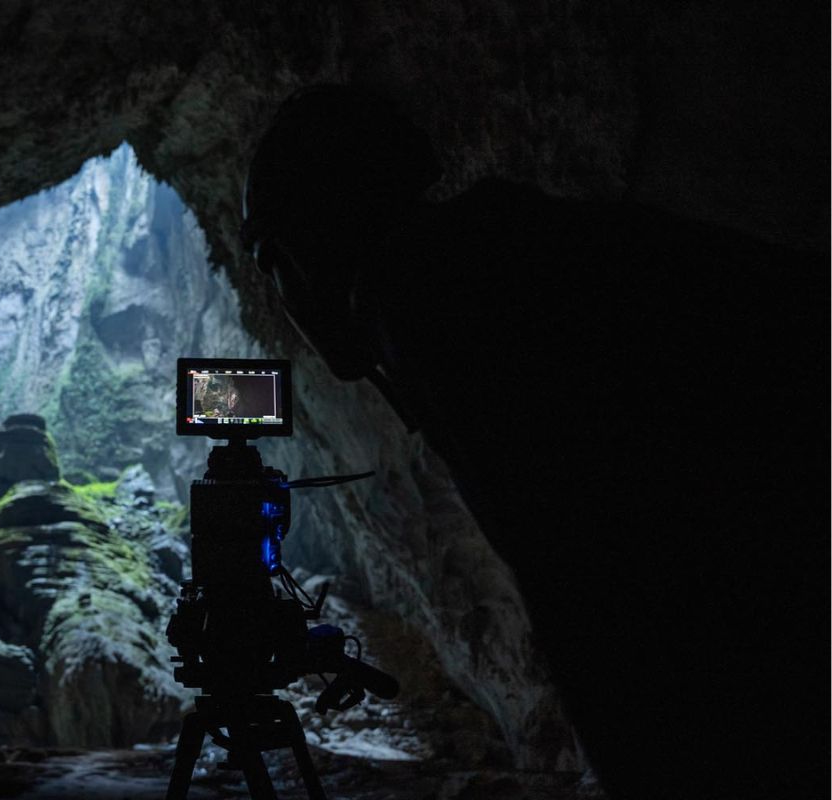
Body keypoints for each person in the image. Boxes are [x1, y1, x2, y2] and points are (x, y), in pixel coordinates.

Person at [242, 85, 827, 800]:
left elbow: (609, 609)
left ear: (303, 254)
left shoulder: (447, 310)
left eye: (270, 264)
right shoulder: (502, 250)